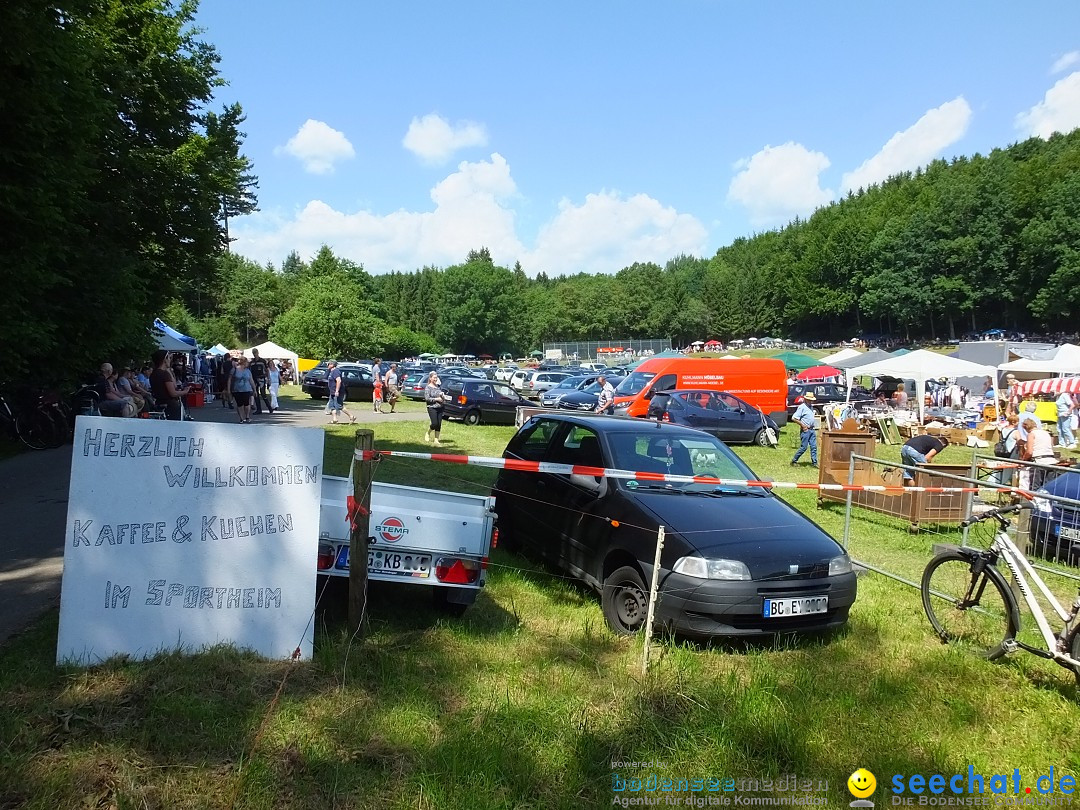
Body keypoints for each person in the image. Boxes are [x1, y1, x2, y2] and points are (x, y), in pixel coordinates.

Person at [149, 350, 191, 421]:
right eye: (168, 358)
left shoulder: (153, 373)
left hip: (158, 402)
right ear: (164, 360)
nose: (170, 360)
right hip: (170, 404)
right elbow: (173, 392)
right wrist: (185, 391)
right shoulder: (164, 374)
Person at [1022, 418, 1057, 491]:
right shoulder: (1046, 433)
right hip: (1051, 461)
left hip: (1039, 461)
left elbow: (1029, 452)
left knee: (1035, 486)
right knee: (1048, 487)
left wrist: (1024, 460)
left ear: (1026, 427)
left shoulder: (1031, 434)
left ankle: (1033, 501)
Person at [790, 392, 818, 467]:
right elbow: (794, 418)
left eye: (811, 400)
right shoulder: (802, 407)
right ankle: (794, 460)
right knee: (804, 447)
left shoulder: (811, 407)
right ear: (805, 399)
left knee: (814, 447)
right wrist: (803, 425)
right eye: (809, 400)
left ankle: (814, 463)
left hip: (812, 429)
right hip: (805, 430)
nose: (810, 401)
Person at [325, 360, 356, 425]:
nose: (327, 365)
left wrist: (337, 391)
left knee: (339, 406)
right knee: (332, 406)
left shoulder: (336, 371)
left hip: (337, 392)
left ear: (332, 365)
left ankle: (351, 416)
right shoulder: (331, 372)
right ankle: (334, 419)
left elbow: (338, 381)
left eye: (328, 364)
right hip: (332, 392)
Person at [227, 355, 255, 423]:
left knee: (247, 404)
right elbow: (229, 379)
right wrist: (228, 389)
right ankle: (241, 418)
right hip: (237, 389)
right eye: (247, 362)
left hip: (247, 389)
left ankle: (247, 416)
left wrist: (254, 389)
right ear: (244, 362)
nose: (247, 364)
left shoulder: (248, 371)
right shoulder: (235, 369)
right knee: (239, 404)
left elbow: (251, 380)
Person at [424, 371, 446, 445]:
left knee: (439, 424)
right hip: (432, 407)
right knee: (434, 423)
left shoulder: (438, 387)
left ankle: (436, 439)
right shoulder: (428, 387)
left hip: (440, 407)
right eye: (434, 378)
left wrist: (443, 397)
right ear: (430, 378)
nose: (436, 379)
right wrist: (436, 399)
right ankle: (428, 432)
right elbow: (427, 398)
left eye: (436, 378)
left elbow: (440, 396)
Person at [249, 348, 273, 414]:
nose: (254, 354)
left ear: (257, 353)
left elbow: (267, 370)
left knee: (263, 394)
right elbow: (250, 371)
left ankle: (269, 408)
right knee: (256, 394)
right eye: (253, 353)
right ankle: (259, 409)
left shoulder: (262, 361)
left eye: (255, 353)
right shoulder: (251, 362)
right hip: (254, 379)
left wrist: (268, 378)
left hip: (261, 379)